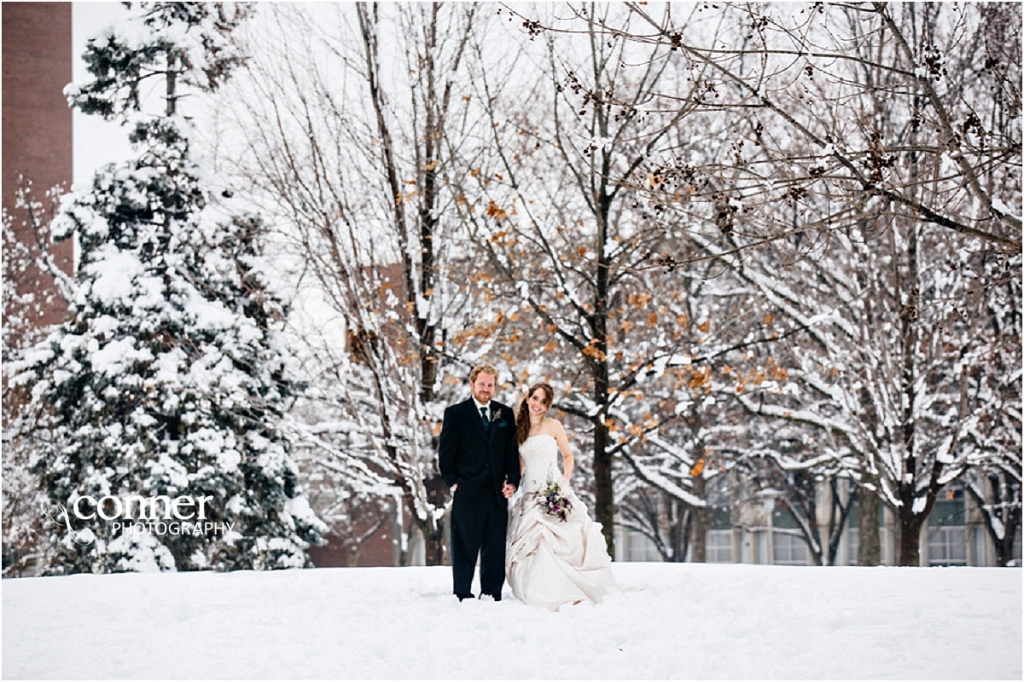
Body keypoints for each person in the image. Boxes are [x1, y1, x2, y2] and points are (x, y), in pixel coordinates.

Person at [506, 382, 617, 610]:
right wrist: (510, 484)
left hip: (553, 488)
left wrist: (564, 481)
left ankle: (565, 588)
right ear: (528, 399)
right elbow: (519, 466)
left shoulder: (553, 425)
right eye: (535, 398)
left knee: (560, 539)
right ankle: (536, 589)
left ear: (548, 406)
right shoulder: (518, 429)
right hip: (530, 493)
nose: (537, 404)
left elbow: (567, 456)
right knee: (532, 543)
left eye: (543, 401)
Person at [438, 364, 521, 601]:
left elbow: (510, 452)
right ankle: (463, 593)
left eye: (490, 385)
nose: (486, 389)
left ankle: (492, 593)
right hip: (468, 490)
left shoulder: (504, 414)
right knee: (465, 545)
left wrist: (512, 481)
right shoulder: (456, 413)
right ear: (472, 384)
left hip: (496, 492)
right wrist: (453, 483)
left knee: (494, 546)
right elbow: (446, 453)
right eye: (482, 384)